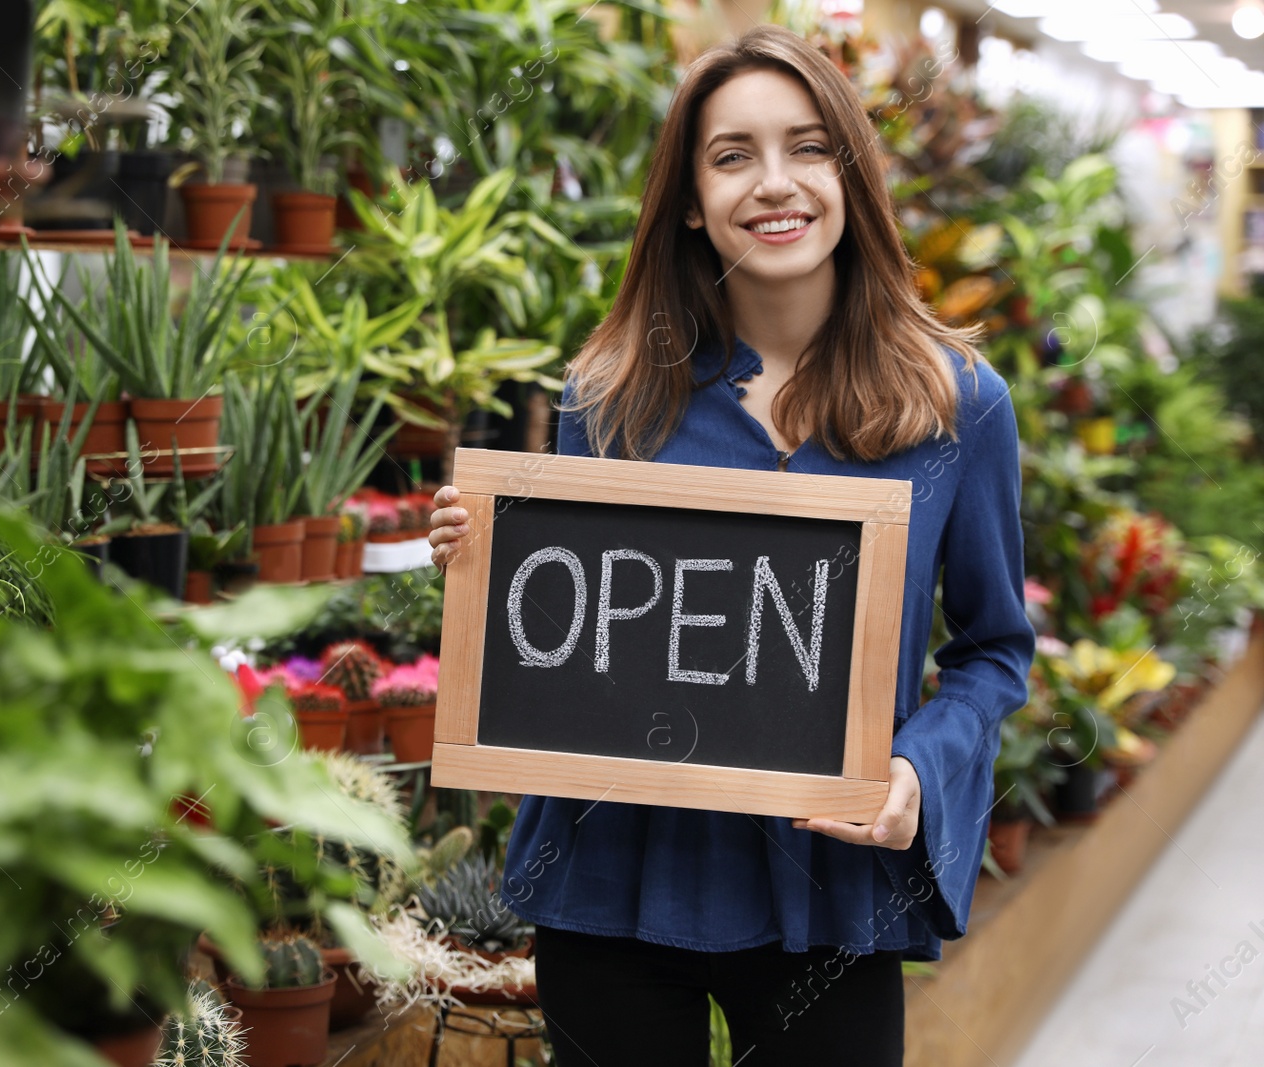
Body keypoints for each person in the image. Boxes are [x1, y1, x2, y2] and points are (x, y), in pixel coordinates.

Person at [426, 24, 1035, 1067]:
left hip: (828, 889)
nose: (773, 183)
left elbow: (993, 649)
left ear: (849, 173)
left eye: (806, 146)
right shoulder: (615, 396)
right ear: (691, 202)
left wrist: (916, 770)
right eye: (731, 155)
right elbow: (577, 633)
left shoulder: (956, 406)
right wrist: (486, 567)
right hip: (613, 871)